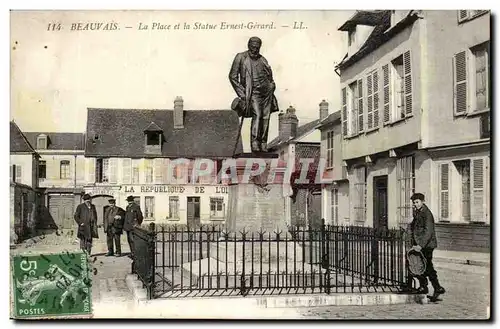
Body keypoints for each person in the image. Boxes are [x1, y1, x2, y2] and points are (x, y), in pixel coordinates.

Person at [229, 36, 279, 153]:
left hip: (267, 93)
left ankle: (263, 143)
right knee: (258, 114)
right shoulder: (241, 57)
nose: (255, 50)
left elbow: (269, 76)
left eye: (257, 48)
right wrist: (243, 94)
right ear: (248, 46)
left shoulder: (263, 60)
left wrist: (272, 85)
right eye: (253, 47)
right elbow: (233, 76)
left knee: (266, 117)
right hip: (252, 93)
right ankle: (255, 143)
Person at [409, 193, 446, 299]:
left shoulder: (427, 213)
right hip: (420, 244)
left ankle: (435, 287)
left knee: (426, 265)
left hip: (427, 245)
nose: (415, 204)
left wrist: (420, 245)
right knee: (422, 265)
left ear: (422, 201)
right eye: (414, 202)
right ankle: (427, 287)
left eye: (417, 202)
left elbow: (428, 232)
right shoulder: (418, 212)